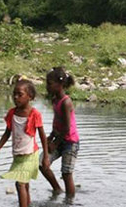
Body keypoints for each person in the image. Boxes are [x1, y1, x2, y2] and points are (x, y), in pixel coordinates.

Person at [0, 79, 49, 207]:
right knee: (25, 184)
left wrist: (45, 157)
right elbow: (7, 133)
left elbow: (43, 136)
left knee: (20, 183)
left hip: (30, 155)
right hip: (17, 156)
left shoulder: (34, 114)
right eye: (14, 94)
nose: (16, 98)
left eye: (20, 95)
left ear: (30, 97)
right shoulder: (12, 113)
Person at [40, 67, 80, 198]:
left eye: (50, 84)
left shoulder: (66, 102)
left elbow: (67, 128)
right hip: (58, 139)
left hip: (69, 142)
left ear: (61, 84)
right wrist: (51, 136)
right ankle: (57, 189)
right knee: (41, 164)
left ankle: (69, 201)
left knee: (66, 173)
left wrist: (55, 144)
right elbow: (56, 121)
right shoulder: (55, 100)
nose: (47, 87)